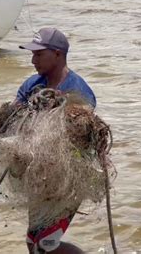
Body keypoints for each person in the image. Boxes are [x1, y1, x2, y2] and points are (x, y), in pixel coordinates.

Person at [15, 27, 96, 253]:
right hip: (39, 176)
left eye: (39, 54)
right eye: (32, 54)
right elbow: (14, 116)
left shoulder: (78, 90)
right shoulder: (31, 85)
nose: (33, 60)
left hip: (69, 179)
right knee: (33, 242)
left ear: (58, 54)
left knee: (46, 244)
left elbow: (81, 134)